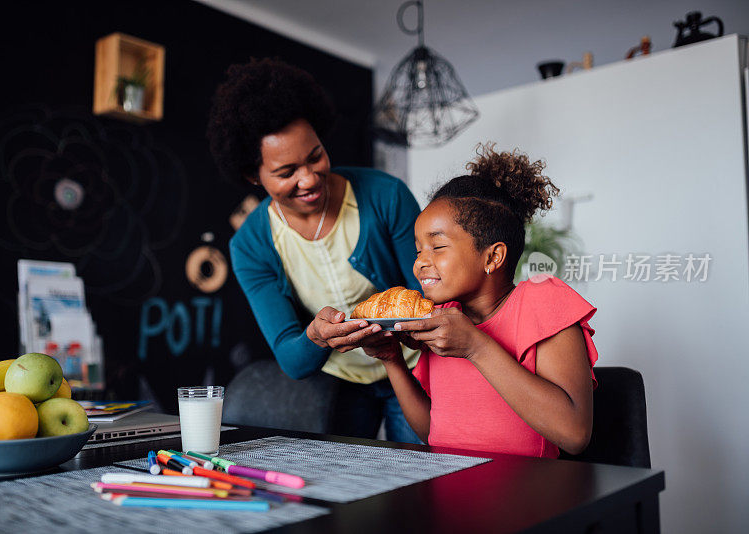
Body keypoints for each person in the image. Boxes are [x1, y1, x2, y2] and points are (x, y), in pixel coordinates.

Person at [207, 58, 422, 443]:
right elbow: (292, 358)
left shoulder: (385, 196)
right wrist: (317, 337)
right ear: (253, 176)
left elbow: (430, 301)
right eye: (286, 172)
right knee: (350, 489)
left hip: (416, 368)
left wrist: (393, 340)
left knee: (429, 481)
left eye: (315, 156)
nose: (309, 178)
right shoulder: (251, 245)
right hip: (342, 384)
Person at [363, 143, 598, 457]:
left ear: (494, 257)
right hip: (451, 486)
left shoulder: (541, 299)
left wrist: (475, 345)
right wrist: (392, 360)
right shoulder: (445, 318)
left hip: (530, 494)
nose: (420, 262)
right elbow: (433, 432)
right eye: (419, 249)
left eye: (438, 247)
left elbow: (574, 433)